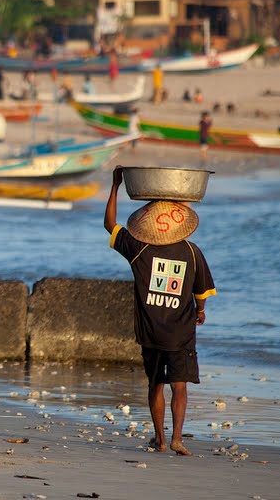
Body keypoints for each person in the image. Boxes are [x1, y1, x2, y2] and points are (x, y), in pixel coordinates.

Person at [104, 166, 216, 456]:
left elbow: (110, 225)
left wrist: (115, 185)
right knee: (180, 387)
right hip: (180, 332)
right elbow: (201, 292)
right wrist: (200, 311)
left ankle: (160, 440)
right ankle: (177, 438)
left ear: (147, 222)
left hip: (150, 331)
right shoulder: (192, 251)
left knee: (155, 385)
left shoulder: (139, 249)